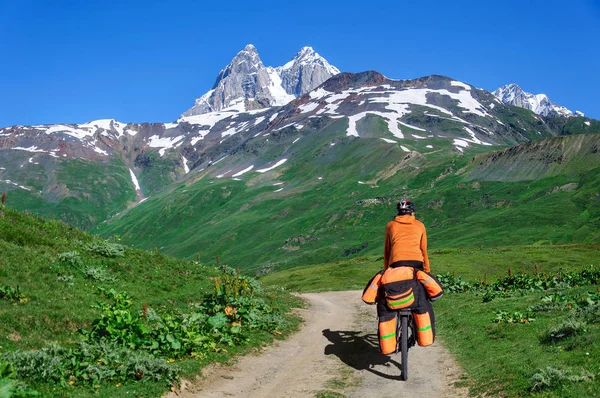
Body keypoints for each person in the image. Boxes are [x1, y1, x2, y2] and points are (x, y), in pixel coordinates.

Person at [383, 199, 430, 272]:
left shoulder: (390, 225)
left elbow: (387, 251)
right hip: (417, 261)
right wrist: (427, 270)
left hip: (397, 261)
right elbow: (423, 249)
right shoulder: (420, 225)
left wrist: (386, 270)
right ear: (412, 212)